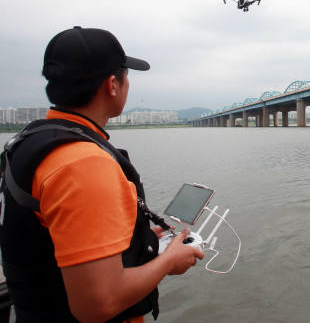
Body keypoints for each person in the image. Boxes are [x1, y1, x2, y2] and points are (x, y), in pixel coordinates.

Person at [0, 26, 204, 322]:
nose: (128, 85)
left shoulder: (28, 144)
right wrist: (168, 261)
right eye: (126, 76)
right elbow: (98, 303)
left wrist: (139, 241)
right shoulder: (82, 163)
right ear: (112, 85)